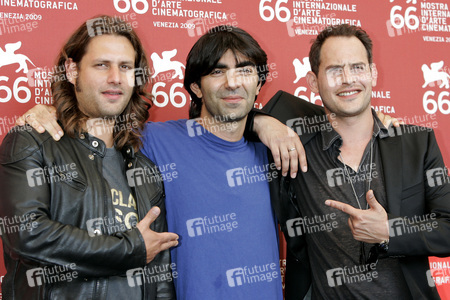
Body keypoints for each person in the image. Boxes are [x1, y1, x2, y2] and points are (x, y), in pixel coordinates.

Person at [15, 25, 398, 298]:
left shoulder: (282, 146)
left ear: (258, 82)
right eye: (218, 72)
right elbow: (94, 131)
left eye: (245, 71)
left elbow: (348, 112)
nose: (233, 83)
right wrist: (47, 111)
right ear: (197, 87)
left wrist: (381, 122)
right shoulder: (151, 142)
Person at [264, 24, 450, 299]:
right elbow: (224, 114)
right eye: (334, 70)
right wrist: (262, 123)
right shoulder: (296, 140)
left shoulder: (416, 142)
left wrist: (389, 232)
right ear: (313, 82)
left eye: (357, 67)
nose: (348, 79)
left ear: (373, 73)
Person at [0, 16, 179, 300]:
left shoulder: (144, 167)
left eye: (125, 67)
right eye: (101, 65)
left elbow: (159, 273)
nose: (115, 78)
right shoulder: (33, 140)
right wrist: (131, 249)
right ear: (72, 70)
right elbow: (26, 234)